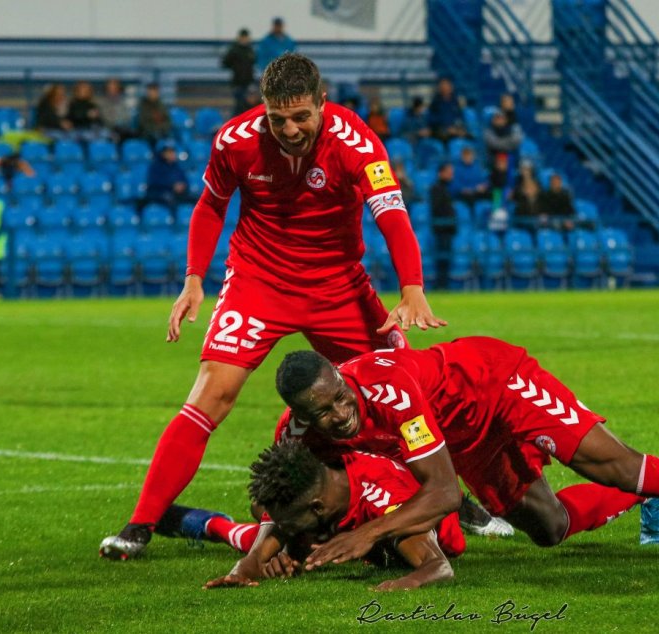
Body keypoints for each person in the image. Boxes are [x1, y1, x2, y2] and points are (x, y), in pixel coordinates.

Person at [99, 52, 447, 561]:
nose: (289, 129)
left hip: (337, 286)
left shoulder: (357, 141)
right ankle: (140, 523)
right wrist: (193, 279)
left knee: (401, 385)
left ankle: (445, 493)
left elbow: (391, 214)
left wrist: (412, 288)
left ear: (322, 103)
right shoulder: (235, 141)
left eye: (301, 116)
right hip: (259, 281)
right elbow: (211, 205)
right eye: (277, 118)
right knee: (211, 395)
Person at [271, 338, 659, 572]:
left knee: (619, 465)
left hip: (499, 384)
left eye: (341, 397)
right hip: (462, 436)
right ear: (300, 414)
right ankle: (639, 501)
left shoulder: (388, 389)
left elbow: (441, 492)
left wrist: (367, 535)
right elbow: (279, 493)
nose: (340, 414)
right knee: (550, 528)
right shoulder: (295, 436)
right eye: (324, 412)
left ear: (340, 375)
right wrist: (264, 554)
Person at [203, 443, 466, 590]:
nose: (284, 529)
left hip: (424, 520)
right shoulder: (320, 479)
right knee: (262, 512)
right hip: (334, 523)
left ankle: (211, 525)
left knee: (264, 534)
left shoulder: (383, 502)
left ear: (317, 507)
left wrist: (401, 585)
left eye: (288, 525)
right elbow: (266, 534)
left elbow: (438, 567)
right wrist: (243, 569)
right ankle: (204, 523)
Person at [429, 162, 456, 290]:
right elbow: (438, 208)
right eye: (449, 172)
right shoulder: (437, 188)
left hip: (448, 228)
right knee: (441, 257)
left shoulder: (448, 188)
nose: (451, 175)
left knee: (445, 257)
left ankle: (443, 283)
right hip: (441, 228)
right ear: (441, 173)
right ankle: (440, 284)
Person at [144, 142, 190, 212]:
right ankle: (172, 217)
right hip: (159, 193)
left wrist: (182, 185)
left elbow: (184, 180)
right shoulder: (156, 166)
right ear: (163, 154)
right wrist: (172, 185)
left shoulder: (177, 166)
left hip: (177, 193)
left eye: (173, 152)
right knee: (169, 199)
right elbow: (154, 182)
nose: (173, 154)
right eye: (169, 152)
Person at [222, 28, 257, 117]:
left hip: (248, 81)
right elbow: (225, 63)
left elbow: (253, 62)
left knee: (247, 106)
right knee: (239, 105)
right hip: (238, 82)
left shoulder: (250, 49)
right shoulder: (234, 49)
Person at [427, 77, 467, 143]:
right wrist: (447, 128)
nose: (445, 88)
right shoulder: (435, 103)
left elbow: (460, 117)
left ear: (451, 88)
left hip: (455, 130)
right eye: (443, 86)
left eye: (447, 86)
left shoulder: (456, 102)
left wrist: (457, 128)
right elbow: (432, 120)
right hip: (441, 131)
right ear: (439, 88)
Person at [99, 78, 135, 143]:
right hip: (107, 129)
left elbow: (127, 117)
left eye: (115, 88)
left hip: (122, 129)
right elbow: (103, 117)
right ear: (106, 89)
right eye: (110, 88)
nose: (112, 90)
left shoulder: (124, 102)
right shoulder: (101, 102)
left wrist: (120, 123)